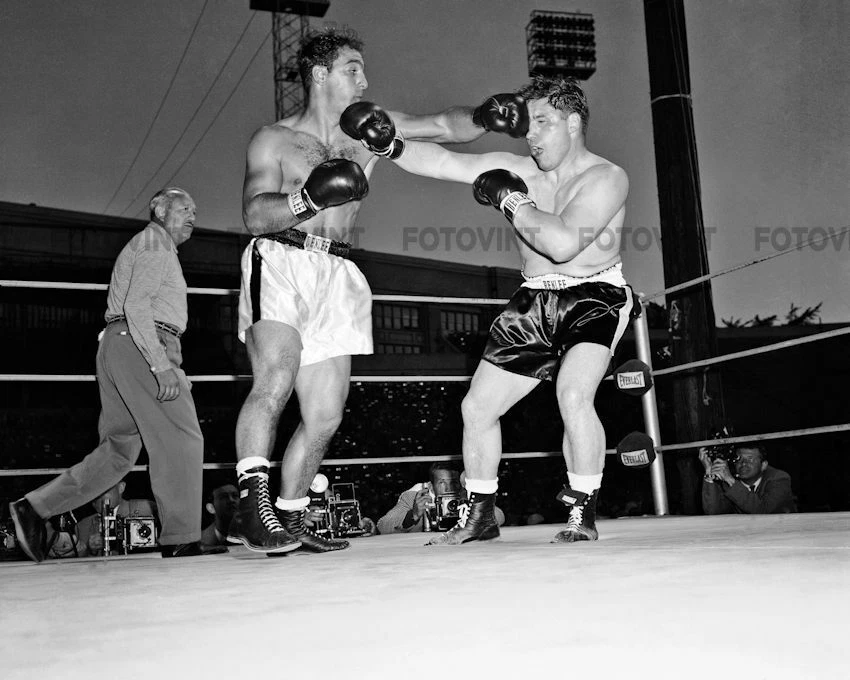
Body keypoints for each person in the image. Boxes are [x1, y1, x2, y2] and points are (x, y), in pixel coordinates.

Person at [229, 26, 527, 553]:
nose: (364, 79)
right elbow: (255, 214)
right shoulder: (273, 140)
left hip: (337, 272)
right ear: (319, 75)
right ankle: (253, 512)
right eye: (352, 69)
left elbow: (443, 126)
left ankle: (292, 515)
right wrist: (309, 199)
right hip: (280, 257)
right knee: (273, 380)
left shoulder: (366, 129)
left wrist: (483, 116)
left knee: (324, 414)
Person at [344, 75, 636, 545]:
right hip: (534, 296)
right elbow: (442, 161)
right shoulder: (517, 166)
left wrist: (512, 200)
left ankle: (583, 511)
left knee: (574, 394)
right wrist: (388, 145)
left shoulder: (607, 177)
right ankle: (480, 514)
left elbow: (561, 244)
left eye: (544, 121)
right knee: (477, 407)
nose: (531, 134)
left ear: (574, 123)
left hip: (593, 296)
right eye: (528, 122)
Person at [9, 188, 210, 561]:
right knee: (182, 438)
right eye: (184, 209)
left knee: (119, 450)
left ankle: (34, 509)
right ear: (159, 211)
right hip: (143, 342)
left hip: (120, 345)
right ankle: (181, 538)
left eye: (194, 211)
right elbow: (137, 304)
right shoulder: (155, 242)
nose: (192, 216)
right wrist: (160, 364)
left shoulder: (150, 245)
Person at [377, 463, 505, 535]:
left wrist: (472, 507)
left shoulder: (464, 495)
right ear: (431, 487)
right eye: (442, 482)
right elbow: (383, 526)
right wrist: (413, 515)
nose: (449, 488)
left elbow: (500, 517)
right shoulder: (416, 496)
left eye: (454, 482)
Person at [71, 481, 159, 557]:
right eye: (93, 490)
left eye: (104, 488)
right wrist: (91, 551)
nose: (97, 495)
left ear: (121, 487)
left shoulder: (147, 509)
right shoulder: (82, 527)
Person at [700, 444, 797, 514]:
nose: (743, 463)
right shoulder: (729, 481)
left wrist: (730, 480)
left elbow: (764, 510)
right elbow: (713, 511)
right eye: (739, 458)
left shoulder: (779, 478)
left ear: (763, 465)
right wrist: (709, 471)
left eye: (750, 459)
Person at [201, 481, 238, 549]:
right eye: (224, 497)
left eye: (235, 495)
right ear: (211, 508)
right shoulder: (200, 541)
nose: (231, 500)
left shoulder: (254, 535)